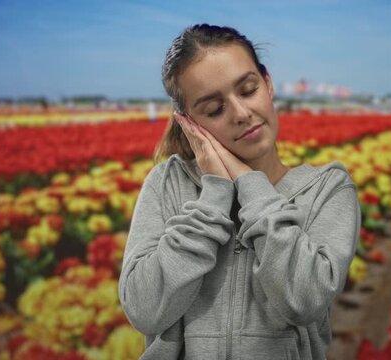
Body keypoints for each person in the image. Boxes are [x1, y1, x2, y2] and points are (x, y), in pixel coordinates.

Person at [119, 24, 361, 359]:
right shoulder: (168, 184)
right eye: (214, 109)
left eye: (247, 90)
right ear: (188, 123)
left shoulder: (326, 190)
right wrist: (215, 194)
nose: (241, 114)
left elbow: (304, 301)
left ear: (268, 83)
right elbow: (145, 311)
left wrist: (250, 185)